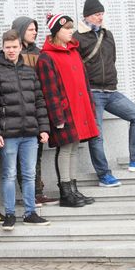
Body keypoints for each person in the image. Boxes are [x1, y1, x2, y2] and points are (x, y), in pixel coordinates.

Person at [73, 0, 135, 187]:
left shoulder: (107, 34)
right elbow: (75, 67)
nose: (100, 17)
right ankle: (104, 175)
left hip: (111, 91)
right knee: (96, 135)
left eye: (102, 13)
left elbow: (111, 59)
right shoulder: (77, 38)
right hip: (93, 92)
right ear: (87, 16)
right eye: (97, 14)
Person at [0, 29, 51, 231]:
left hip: (30, 134)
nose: (11, 50)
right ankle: (10, 214)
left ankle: (30, 213)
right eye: (8, 47)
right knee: (9, 175)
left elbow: (39, 102)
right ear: (2, 48)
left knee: (29, 174)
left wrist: (44, 128)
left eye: (14, 47)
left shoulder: (29, 72)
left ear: (21, 47)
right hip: (8, 136)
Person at [36, 13, 98, 207]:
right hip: (64, 111)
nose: (71, 31)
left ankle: (73, 188)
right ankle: (65, 192)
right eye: (67, 28)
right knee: (65, 149)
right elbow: (50, 90)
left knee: (74, 149)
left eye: (71, 27)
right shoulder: (46, 58)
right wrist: (57, 116)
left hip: (79, 109)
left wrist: (90, 108)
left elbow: (84, 83)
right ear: (57, 31)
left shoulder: (73, 52)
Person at [11, 16, 59, 207]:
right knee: (22, 157)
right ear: (21, 30)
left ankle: (38, 192)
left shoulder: (39, 53)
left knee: (36, 153)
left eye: (35, 29)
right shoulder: (13, 53)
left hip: (38, 110)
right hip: (20, 112)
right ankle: (29, 193)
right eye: (30, 29)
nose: (35, 32)